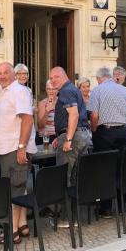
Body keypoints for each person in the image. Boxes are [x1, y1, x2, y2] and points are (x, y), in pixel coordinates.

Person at [0, 62, 37, 242]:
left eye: (5, 73)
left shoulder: (18, 91)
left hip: (14, 149)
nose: (1, 76)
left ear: (13, 74)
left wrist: (21, 147)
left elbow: (27, 120)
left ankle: (12, 232)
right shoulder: (7, 92)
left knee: (14, 190)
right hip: (7, 148)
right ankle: (22, 225)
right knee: (18, 188)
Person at [87, 67, 126, 217]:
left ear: (99, 78)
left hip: (105, 132)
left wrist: (94, 129)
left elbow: (94, 115)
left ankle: (105, 208)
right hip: (122, 131)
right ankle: (121, 206)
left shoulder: (97, 90)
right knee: (121, 168)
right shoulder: (124, 90)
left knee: (104, 169)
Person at [50, 66, 91, 227]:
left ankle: (66, 219)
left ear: (64, 76)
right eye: (51, 78)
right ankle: (73, 217)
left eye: (56, 77)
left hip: (73, 138)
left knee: (64, 177)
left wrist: (67, 138)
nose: (53, 80)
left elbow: (73, 115)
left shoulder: (66, 91)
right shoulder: (72, 89)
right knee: (74, 178)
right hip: (82, 136)